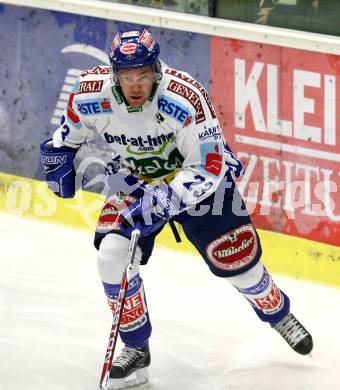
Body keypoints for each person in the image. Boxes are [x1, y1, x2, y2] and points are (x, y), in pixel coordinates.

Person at [40, 28, 313, 389]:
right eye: (126, 77)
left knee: (240, 266)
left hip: (201, 185)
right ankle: (136, 349)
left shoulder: (185, 98)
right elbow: (67, 136)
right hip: (136, 181)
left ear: (156, 70)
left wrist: (164, 201)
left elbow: (209, 166)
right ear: (113, 74)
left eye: (143, 76)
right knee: (111, 253)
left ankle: (277, 311)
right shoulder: (90, 93)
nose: (135, 85)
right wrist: (59, 157)